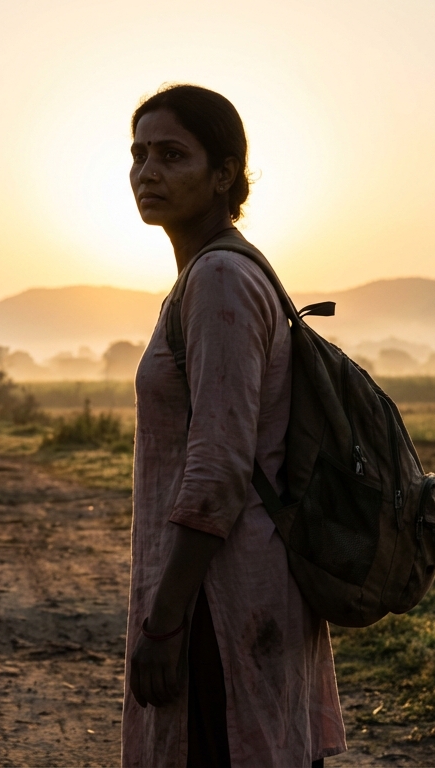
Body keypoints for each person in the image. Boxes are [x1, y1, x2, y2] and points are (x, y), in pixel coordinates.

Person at [122, 84, 347, 767]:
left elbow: (218, 468)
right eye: (138, 154)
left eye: (171, 154)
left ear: (224, 174)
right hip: (231, 594)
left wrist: (165, 624)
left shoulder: (220, 278)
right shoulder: (210, 275)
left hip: (219, 605)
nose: (147, 171)